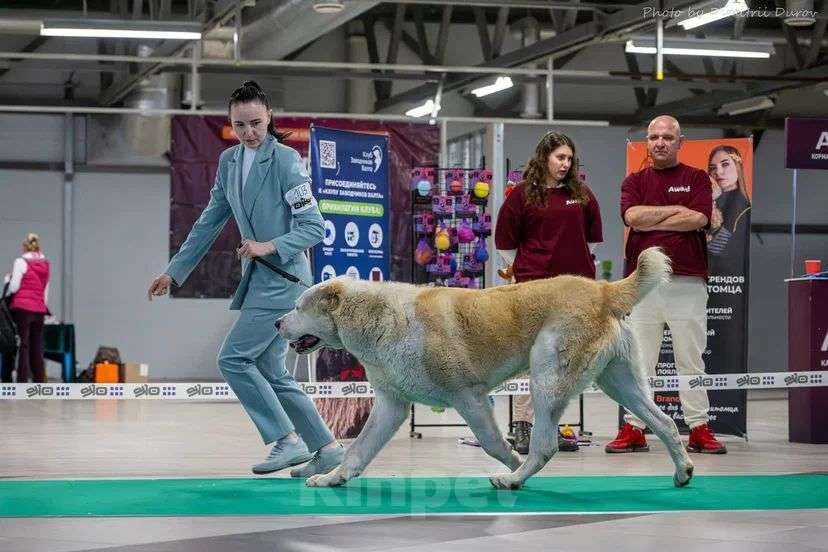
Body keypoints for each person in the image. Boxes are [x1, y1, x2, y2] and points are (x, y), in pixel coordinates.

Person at [147, 81, 344, 476]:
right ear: (231, 123)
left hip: (283, 281)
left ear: (269, 117)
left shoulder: (287, 162)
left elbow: (314, 228)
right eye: (240, 125)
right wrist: (174, 271)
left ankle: (286, 440)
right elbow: (209, 221)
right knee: (273, 372)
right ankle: (327, 449)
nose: (249, 132)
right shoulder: (228, 162)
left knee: (233, 359)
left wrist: (266, 246)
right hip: (258, 280)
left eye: (255, 123)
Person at [609, 114, 726, 454]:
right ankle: (634, 428)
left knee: (690, 358)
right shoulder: (634, 180)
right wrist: (677, 210)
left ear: (680, 142)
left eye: (667, 137)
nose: (660, 142)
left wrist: (655, 216)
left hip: (687, 280)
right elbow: (633, 218)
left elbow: (700, 218)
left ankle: (699, 428)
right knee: (639, 360)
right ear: (647, 141)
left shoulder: (697, 179)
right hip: (644, 284)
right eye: (654, 136)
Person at [494, 131, 603, 454]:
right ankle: (522, 426)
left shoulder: (582, 195)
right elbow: (505, 244)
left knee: (563, 362)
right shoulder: (520, 196)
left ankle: (549, 427)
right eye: (560, 157)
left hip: (575, 291)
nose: (565, 164)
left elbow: (593, 240)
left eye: (569, 159)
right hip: (533, 289)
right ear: (544, 158)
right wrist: (527, 269)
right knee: (531, 360)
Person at [4, 233, 50, 383]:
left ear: (24, 246)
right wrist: (43, 306)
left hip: (23, 309)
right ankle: (39, 380)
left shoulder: (20, 261)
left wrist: (7, 280)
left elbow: (14, 287)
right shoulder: (45, 264)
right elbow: (45, 289)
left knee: (23, 344)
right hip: (39, 309)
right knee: (37, 346)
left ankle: (22, 381)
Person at [706, 145, 751, 272]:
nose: (718, 172)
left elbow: (715, 247)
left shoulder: (742, 209)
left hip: (726, 280)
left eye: (725, 164)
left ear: (737, 166)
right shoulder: (708, 201)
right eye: (712, 168)